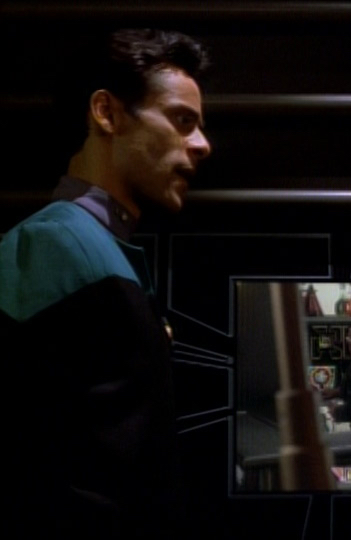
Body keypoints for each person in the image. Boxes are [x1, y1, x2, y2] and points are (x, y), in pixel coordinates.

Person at [0, 28, 211, 538]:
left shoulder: (89, 247)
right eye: (182, 120)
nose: (203, 144)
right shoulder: (56, 248)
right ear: (106, 113)